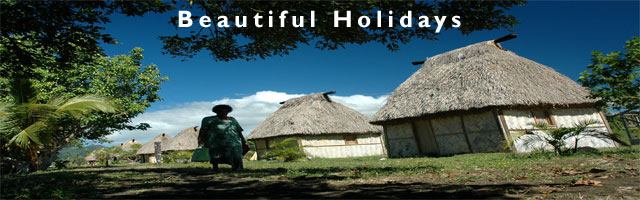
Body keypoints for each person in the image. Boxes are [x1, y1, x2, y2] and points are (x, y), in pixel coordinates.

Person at [197, 104, 246, 172]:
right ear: (216, 112)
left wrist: (243, 140)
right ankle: (215, 167)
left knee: (236, 153)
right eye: (220, 111)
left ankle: (236, 168)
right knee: (215, 154)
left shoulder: (233, 120)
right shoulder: (209, 120)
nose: (223, 113)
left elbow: (238, 130)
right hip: (216, 142)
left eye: (225, 111)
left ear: (227, 112)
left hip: (233, 141)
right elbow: (203, 129)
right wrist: (200, 138)